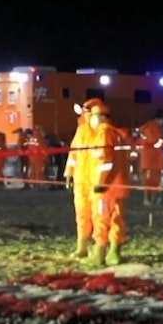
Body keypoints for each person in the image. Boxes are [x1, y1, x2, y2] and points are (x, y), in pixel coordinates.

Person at [77, 99, 131, 267]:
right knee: (116, 218)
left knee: (101, 218)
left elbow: (104, 159)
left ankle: (99, 252)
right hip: (119, 184)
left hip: (105, 186)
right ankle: (114, 252)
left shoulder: (103, 132)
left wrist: (99, 182)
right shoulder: (116, 133)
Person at [61, 106, 94, 258]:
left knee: (99, 216)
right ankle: (82, 247)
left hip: (96, 181)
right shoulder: (80, 132)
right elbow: (73, 154)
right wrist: (69, 174)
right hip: (81, 181)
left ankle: (98, 246)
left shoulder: (103, 132)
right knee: (81, 213)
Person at [135, 109, 163, 205]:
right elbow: (155, 142)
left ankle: (153, 199)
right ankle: (149, 199)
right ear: (158, 119)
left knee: (152, 181)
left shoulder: (150, 128)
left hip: (152, 159)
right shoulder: (152, 128)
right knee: (150, 181)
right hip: (152, 159)